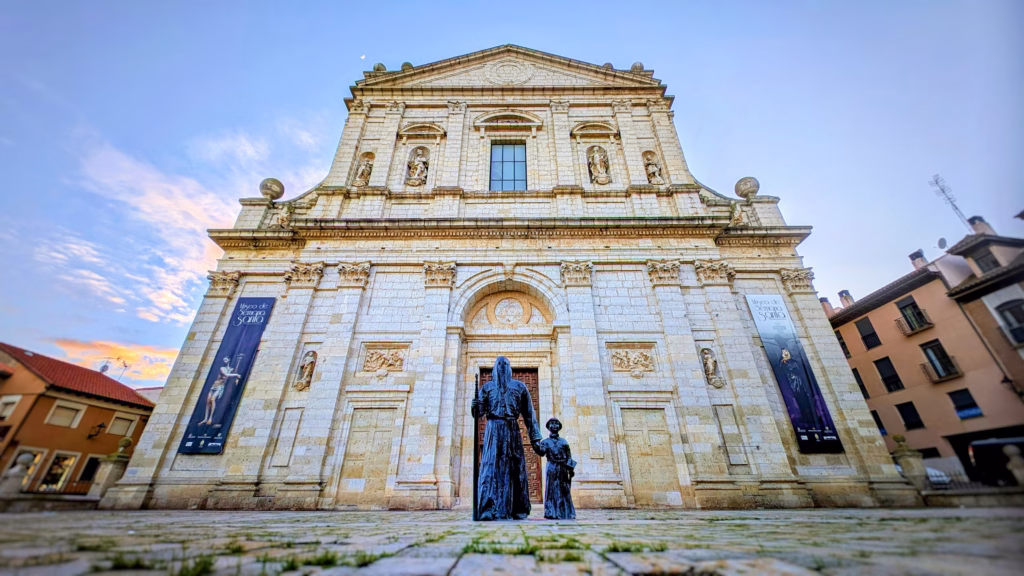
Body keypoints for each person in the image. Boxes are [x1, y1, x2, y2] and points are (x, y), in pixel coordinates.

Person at [472, 356, 542, 520]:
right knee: (490, 468)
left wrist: (535, 439)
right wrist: (475, 406)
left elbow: (529, 414)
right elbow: (479, 413)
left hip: (512, 430)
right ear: (494, 368)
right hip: (493, 430)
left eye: (505, 364)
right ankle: (487, 509)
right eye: (499, 363)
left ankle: (518, 508)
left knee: (515, 467)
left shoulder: (520, 387)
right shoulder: (487, 387)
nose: (502, 366)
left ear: (510, 367)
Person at [532, 418, 576, 520]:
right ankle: (551, 512)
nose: (554, 426)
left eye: (556, 424)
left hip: (562, 467)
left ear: (559, 427)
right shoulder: (545, 442)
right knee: (551, 489)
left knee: (564, 489)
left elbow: (569, 456)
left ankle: (566, 512)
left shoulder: (564, 442)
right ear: (548, 427)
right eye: (552, 424)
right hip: (551, 466)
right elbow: (541, 452)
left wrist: (571, 469)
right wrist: (535, 443)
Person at [200, 357, 241, 426]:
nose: (224, 361)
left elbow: (232, 375)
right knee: (208, 401)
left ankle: (210, 418)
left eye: (226, 359)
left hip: (221, 386)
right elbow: (226, 375)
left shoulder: (231, 369)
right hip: (215, 385)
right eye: (224, 360)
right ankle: (205, 418)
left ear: (229, 360)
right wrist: (236, 375)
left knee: (213, 399)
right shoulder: (222, 368)